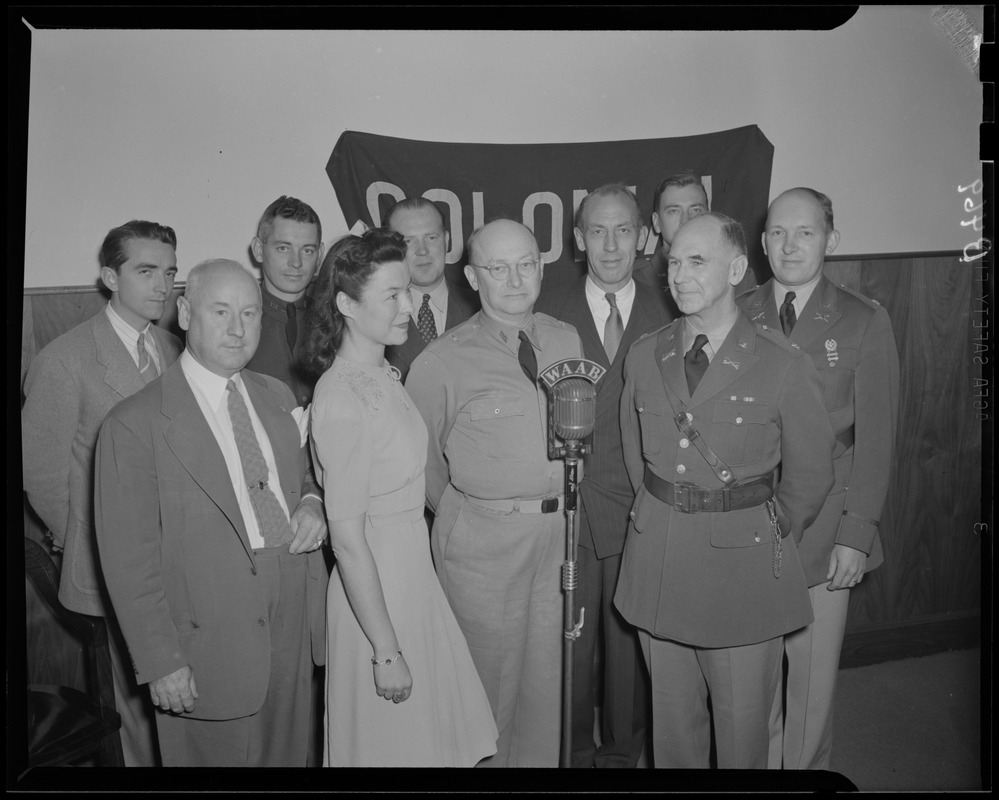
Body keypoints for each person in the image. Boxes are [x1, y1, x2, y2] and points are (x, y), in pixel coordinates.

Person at [615, 212, 835, 769]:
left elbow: (811, 476)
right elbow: (635, 455)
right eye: (672, 262)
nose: (679, 275)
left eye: (697, 261)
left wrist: (763, 529)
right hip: (659, 563)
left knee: (741, 735)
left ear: (736, 268)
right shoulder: (646, 354)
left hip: (742, 575)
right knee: (672, 731)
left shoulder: (781, 364)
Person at [94, 259, 329, 767]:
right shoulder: (134, 424)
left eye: (249, 313)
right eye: (220, 311)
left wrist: (312, 503)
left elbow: (305, 476)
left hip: (291, 619)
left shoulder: (276, 395)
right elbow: (127, 562)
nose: (237, 328)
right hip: (208, 634)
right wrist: (162, 662)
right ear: (183, 313)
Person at [302, 228, 497, 767]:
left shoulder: (384, 372)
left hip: (411, 576)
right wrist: (385, 651)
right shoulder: (340, 395)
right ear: (345, 304)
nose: (408, 306)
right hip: (377, 593)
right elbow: (346, 537)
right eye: (392, 295)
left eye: (407, 291)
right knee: (392, 748)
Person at [406, 219, 584, 767]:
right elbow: (422, 464)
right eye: (497, 267)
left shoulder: (564, 337)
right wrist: (481, 511)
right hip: (484, 546)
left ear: (541, 266)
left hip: (558, 537)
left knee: (545, 689)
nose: (514, 279)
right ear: (472, 276)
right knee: (484, 697)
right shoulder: (442, 359)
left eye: (526, 264)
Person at [738, 187, 900, 770]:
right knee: (749, 684)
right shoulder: (738, 311)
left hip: (827, 526)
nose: (790, 245)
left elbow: (876, 439)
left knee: (807, 684)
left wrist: (857, 534)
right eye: (778, 232)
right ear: (761, 242)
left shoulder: (862, 320)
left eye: (805, 232)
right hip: (748, 522)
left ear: (831, 240)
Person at [22, 219, 181, 766]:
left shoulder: (173, 348)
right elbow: (39, 474)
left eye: (169, 272)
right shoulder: (63, 361)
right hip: (110, 562)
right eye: (145, 271)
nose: (162, 285)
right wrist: (91, 546)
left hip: (174, 554)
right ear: (111, 277)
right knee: (136, 702)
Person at [535, 184, 671, 768]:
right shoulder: (544, 309)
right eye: (597, 230)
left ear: (643, 236)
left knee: (628, 646)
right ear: (577, 238)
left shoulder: (671, 307)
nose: (611, 244)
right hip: (567, 503)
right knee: (567, 640)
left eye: (623, 230)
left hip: (640, 500)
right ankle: (568, 754)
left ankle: (621, 755)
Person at [384, 197, 479, 380]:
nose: (422, 250)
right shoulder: (376, 316)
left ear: (446, 239)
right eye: (408, 241)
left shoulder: (481, 308)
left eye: (431, 238)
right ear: (390, 248)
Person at [247, 195, 325, 406]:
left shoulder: (336, 322)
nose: (296, 262)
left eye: (307, 250)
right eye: (283, 248)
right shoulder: (237, 324)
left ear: (320, 256)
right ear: (258, 250)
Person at [634, 171, 709, 298]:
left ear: (709, 218)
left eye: (695, 210)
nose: (685, 221)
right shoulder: (634, 281)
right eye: (674, 211)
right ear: (656, 222)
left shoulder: (731, 275)